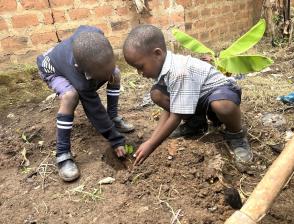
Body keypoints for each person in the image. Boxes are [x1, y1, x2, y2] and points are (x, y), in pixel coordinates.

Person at [122, 24, 252, 166]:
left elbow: (175, 116)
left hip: (220, 92)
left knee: (222, 105)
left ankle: (236, 134)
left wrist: (152, 144)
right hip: (198, 98)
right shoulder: (165, 68)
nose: (140, 73)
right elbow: (170, 109)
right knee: (157, 93)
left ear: (157, 54)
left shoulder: (179, 71)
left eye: (140, 67)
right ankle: (196, 124)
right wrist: (153, 138)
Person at [37, 25, 134, 181]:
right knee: (71, 95)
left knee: (114, 74)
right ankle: (63, 153)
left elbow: (108, 70)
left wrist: (107, 73)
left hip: (72, 60)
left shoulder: (95, 34)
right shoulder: (80, 79)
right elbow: (94, 109)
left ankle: (113, 118)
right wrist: (115, 139)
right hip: (51, 67)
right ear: (86, 73)